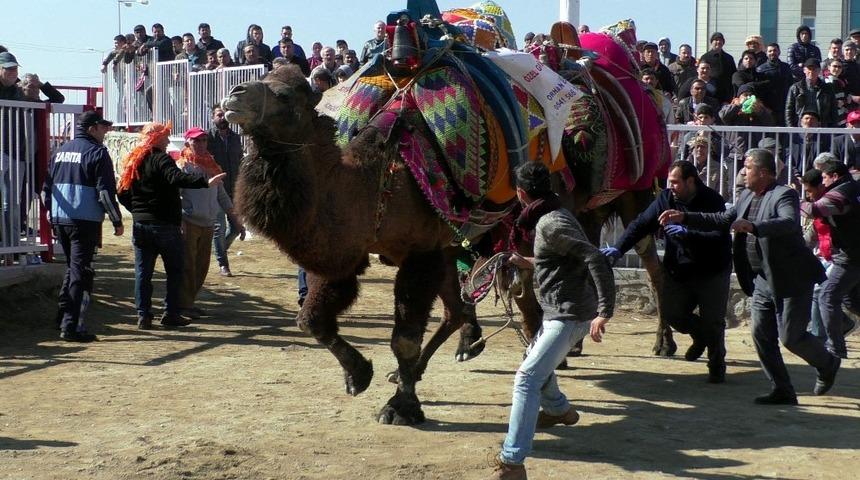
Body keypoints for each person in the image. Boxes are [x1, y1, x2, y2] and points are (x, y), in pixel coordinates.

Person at [659, 148, 841, 405]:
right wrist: (685, 216)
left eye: (748, 166)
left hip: (792, 278)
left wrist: (755, 227)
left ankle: (828, 363)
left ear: (764, 173)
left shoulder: (784, 194)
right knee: (760, 334)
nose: (743, 171)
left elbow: (789, 222)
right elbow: (721, 219)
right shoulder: (745, 195)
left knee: (791, 337)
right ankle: (782, 389)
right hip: (762, 280)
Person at [488, 162, 615, 480]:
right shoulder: (552, 216)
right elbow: (557, 258)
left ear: (520, 193)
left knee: (527, 378)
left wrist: (604, 312)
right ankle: (560, 410)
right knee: (531, 361)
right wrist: (525, 261)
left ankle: (512, 463)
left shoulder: (551, 223)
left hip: (569, 316)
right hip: (560, 312)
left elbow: (594, 257)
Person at [603, 161, 731, 382]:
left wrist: (688, 233)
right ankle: (701, 337)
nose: (671, 186)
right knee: (671, 313)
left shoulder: (712, 200)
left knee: (713, 320)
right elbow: (640, 225)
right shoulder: (666, 199)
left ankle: (717, 364)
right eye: (670, 182)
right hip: (679, 270)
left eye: (675, 182)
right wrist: (618, 249)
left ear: (690, 181)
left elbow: (719, 237)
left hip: (712, 270)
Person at [117, 122, 224, 329]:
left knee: (143, 272)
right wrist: (204, 183)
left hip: (141, 226)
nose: (168, 140)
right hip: (165, 225)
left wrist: (137, 211)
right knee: (176, 270)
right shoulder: (161, 159)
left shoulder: (135, 160)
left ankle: (144, 315)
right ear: (156, 138)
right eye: (165, 136)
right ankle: (171, 313)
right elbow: (176, 177)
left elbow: (122, 191)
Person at [42, 111, 124, 342]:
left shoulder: (59, 151)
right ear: (92, 129)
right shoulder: (97, 152)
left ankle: (62, 317)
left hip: (60, 218)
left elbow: (45, 188)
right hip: (84, 221)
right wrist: (116, 220)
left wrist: (50, 211)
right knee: (81, 271)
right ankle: (72, 326)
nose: (106, 132)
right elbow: (105, 192)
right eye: (103, 128)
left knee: (72, 268)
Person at [177, 127, 241, 319]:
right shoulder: (183, 166)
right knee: (188, 265)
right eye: (197, 141)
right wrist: (179, 219)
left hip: (208, 223)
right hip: (189, 222)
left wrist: (236, 218)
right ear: (188, 143)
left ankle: (189, 302)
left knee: (202, 266)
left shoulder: (212, 164)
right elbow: (176, 195)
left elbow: (221, 194)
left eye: (204, 140)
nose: (201, 144)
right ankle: (183, 305)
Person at [800, 158, 860, 360]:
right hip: (850, 253)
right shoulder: (852, 187)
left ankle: (836, 349)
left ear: (835, 176)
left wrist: (790, 199)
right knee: (850, 300)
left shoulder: (840, 193)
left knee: (827, 296)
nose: (822, 182)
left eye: (824, 177)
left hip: (851, 256)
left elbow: (815, 210)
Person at [207, 106, 245, 277]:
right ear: (213, 117)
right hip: (216, 189)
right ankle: (223, 264)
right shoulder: (208, 138)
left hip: (233, 189)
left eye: (224, 115)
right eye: (218, 115)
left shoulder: (236, 138)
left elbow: (240, 161)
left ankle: (221, 249)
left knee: (236, 228)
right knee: (219, 228)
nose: (222, 118)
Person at [785, 59, 837, 127]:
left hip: (821, 126)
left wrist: (832, 128)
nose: (811, 71)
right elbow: (789, 110)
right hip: (800, 126)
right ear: (804, 70)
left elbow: (833, 110)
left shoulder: (827, 89)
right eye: (809, 69)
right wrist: (791, 129)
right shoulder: (795, 88)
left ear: (819, 71)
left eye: (814, 69)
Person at [756, 43, 794, 124]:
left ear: (779, 52)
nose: (772, 53)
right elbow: (759, 91)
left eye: (775, 50)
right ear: (766, 53)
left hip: (784, 106)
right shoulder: (760, 69)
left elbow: (791, 86)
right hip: (768, 108)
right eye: (770, 51)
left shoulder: (786, 67)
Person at [698, 32, 736, 104]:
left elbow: (734, 75)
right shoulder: (705, 57)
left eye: (720, 40)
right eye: (716, 40)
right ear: (711, 42)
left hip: (726, 92)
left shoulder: (729, 58)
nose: (718, 42)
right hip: (710, 91)